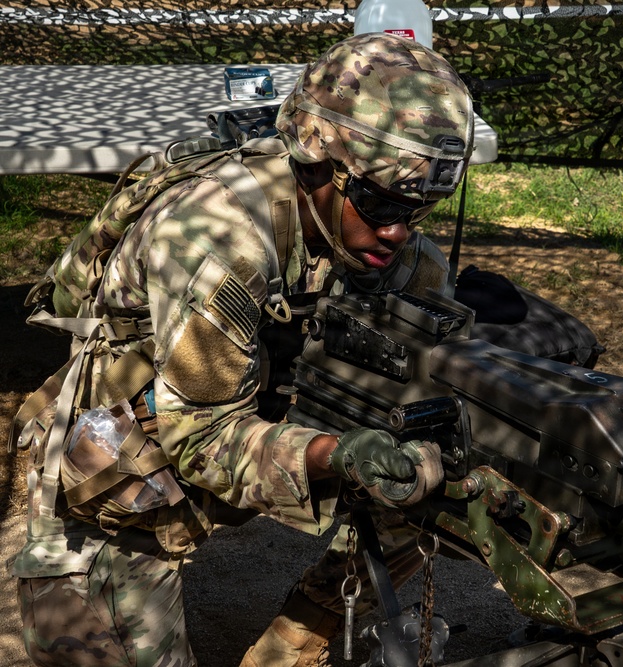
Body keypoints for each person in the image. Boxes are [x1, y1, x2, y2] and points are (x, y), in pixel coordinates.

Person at [9, 32, 473, 667]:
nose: (397, 231)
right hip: (127, 463)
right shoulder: (217, 236)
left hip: (260, 413)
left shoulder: (400, 253)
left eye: (420, 208)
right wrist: (337, 454)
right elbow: (197, 439)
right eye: (379, 202)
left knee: (423, 496)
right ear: (315, 164)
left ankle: (292, 647)